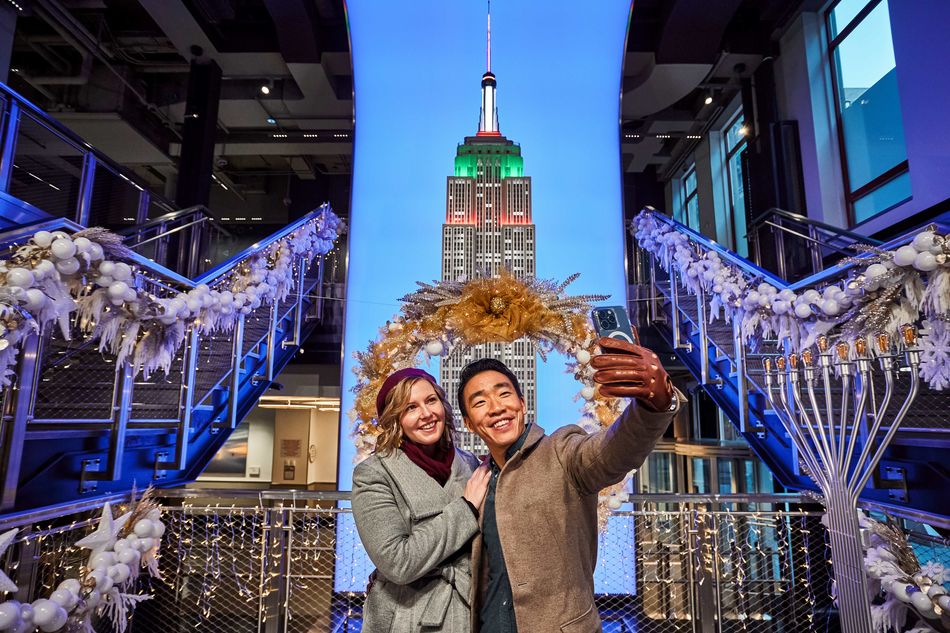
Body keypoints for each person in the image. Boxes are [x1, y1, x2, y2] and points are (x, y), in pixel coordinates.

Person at [459, 337, 684, 633]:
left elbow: (610, 453)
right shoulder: (477, 480)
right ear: (469, 423)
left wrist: (655, 404)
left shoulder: (561, 451)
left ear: (522, 404)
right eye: (479, 402)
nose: (495, 407)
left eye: (504, 394)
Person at [352, 368, 491, 632]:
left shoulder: (471, 465)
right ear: (395, 420)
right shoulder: (373, 474)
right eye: (410, 408)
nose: (426, 414)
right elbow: (398, 562)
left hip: (469, 611)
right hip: (407, 616)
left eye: (431, 401)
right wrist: (466, 508)